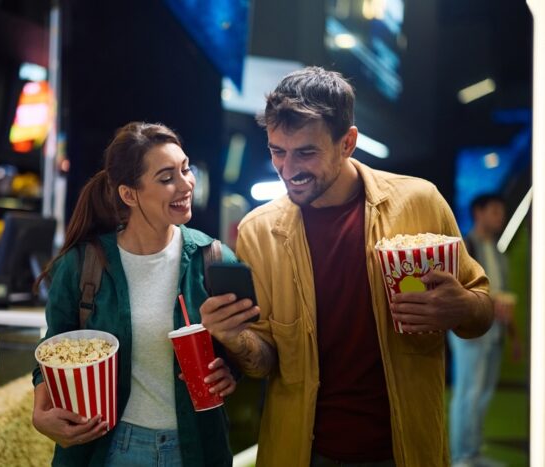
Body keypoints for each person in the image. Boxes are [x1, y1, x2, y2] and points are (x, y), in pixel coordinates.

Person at [200, 66, 494, 467]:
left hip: (407, 449)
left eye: (306, 152)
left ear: (347, 143)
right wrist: (233, 337)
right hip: (304, 452)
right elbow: (265, 359)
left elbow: (482, 310)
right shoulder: (259, 231)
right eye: (277, 151)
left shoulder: (420, 203)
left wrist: (462, 306)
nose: (288, 169)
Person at [31, 122, 238, 467]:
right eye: (166, 177)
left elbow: (246, 345)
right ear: (129, 194)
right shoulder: (83, 265)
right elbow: (54, 349)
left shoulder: (213, 259)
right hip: (108, 449)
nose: (186, 184)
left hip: (196, 447)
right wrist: (40, 412)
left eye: (186, 169)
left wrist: (229, 370)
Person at [449, 194, 521, 467]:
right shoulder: (464, 248)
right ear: (478, 212)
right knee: (468, 391)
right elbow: (457, 293)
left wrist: (514, 337)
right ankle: (461, 456)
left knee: (484, 392)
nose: (499, 217)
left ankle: (474, 450)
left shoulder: (498, 251)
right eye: (494, 211)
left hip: (495, 332)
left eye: (501, 212)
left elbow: (504, 295)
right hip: (469, 331)